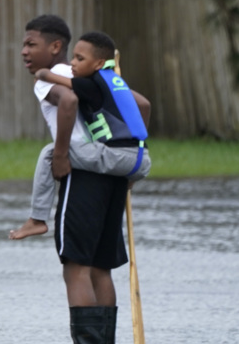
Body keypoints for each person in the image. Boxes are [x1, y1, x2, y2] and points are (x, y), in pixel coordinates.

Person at [12, 14, 130, 344]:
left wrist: (61, 154)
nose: (24, 51)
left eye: (31, 44)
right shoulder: (96, 78)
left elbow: (68, 103)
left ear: (56, 47)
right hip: (114, 171)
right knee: (99, 267)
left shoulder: (52, 79)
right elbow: (140, 105)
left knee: (75, 266)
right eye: (24, 44)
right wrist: (130, 154)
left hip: (83, 173)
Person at [12, 29, 151, 240]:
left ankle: (37, 219)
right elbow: (144, 104)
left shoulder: (91, 84)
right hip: (141, 160)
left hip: (117, 157)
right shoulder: (114, 83)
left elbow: (52, 79)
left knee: (50, 152)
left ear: (98, 64)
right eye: (73, 58)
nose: (73, 64)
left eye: (79, 59)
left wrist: (41, 74)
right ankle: (129, 175)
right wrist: (132, 162)